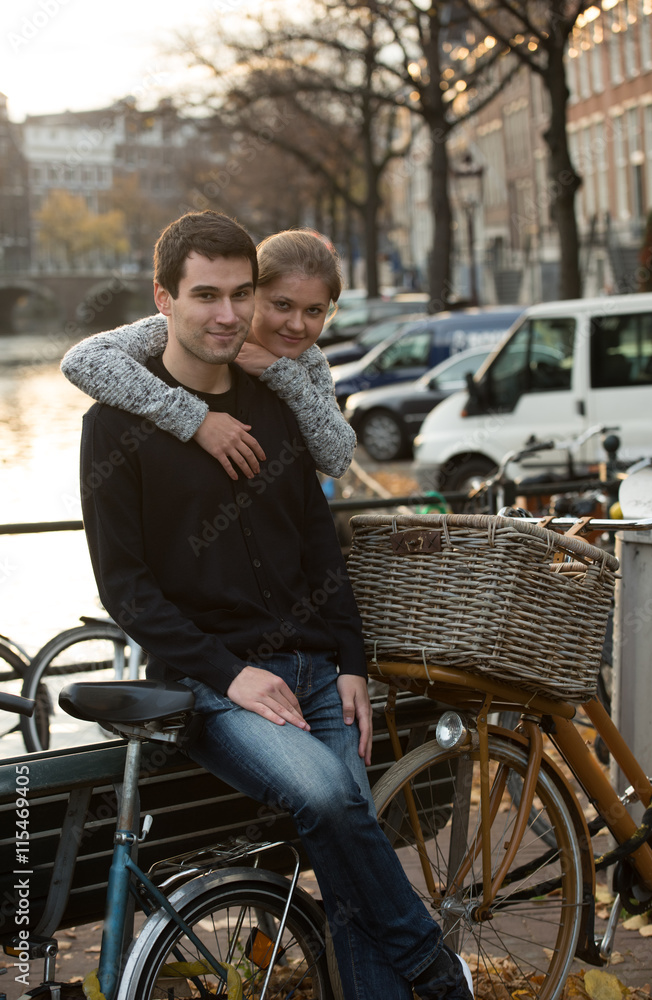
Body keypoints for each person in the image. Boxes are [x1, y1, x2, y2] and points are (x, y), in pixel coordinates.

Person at [78, 210, 473, 1000]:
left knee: (349, 861)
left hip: (318, 672)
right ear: (164, 297)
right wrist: (230, 677)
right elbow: (125, 589)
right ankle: (433, 969)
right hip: (217, 686)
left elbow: (321, 549)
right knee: (329, 797)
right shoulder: (114, 426)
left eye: (239, 294)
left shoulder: (280, 402)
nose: (226, 315)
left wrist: (351, 663)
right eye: (204, 296)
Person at [62, 227, 355, 480]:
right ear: (251, 294)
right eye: (282, 305)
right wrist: (196, 420)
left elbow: (337, 459)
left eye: (314, 311)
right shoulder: (176, 330)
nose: (296, 325)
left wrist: (283, 374)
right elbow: (83, 360)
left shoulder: (308, 359)